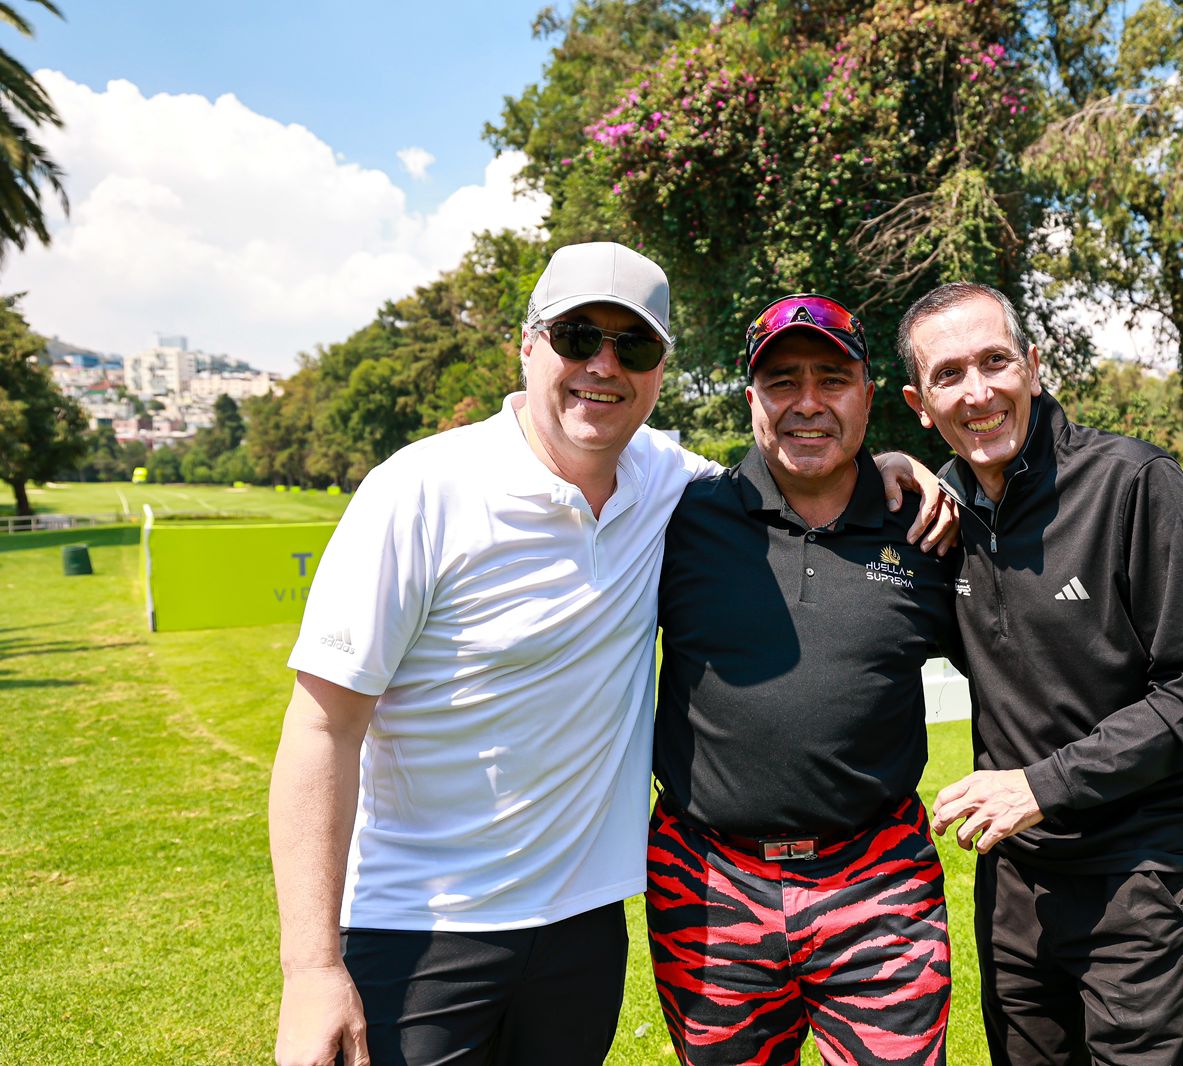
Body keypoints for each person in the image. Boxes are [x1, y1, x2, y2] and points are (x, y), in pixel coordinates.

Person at [269, 244, 953, 1066]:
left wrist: (887, 467)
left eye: (632, 346)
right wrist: (312, 968)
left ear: (659, 368)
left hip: (583, 925)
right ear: (528, 345)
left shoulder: (669, 485)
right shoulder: (421, 490)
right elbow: (322, 727)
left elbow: (806, 471)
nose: (603, 364)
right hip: (423, 923)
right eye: (576, 336)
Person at [896, 282, 1183, 1066]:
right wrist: (883, 466)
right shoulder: (942, 514)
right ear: (921, 404)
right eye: (949, 375)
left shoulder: (1132, 482)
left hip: (1144, 877)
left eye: (995, 361)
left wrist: (1041, 786)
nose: (978, 392)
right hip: (1017, 887)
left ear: (1033, 365)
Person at [647, 293, 963, 1065]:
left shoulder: (925, 527)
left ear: (869, 397)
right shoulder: (681, 519)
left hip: (879, 880)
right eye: (783, 381)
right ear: (751, 398)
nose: (809, 403)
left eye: (833, 379)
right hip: (709, 882)